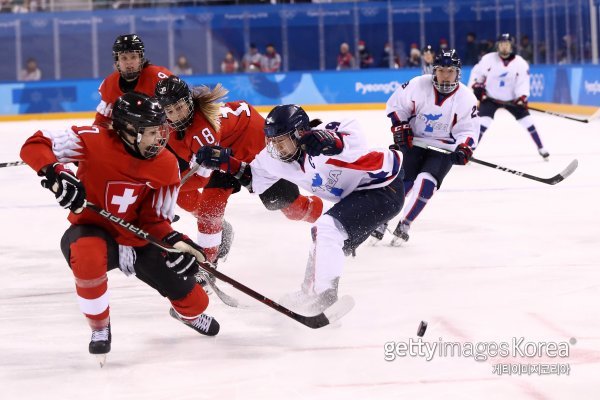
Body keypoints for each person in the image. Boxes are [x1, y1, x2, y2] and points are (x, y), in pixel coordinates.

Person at [19, 92, 220, 365]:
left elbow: (155, 219)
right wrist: (56, 172)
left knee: (197, 303)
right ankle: (100, 326)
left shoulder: (165, 164)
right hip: (94, 230)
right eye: (149, 132)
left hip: (141, 239)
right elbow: (35, 144)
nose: (159, 139)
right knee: (87, 255)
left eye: (160, 131)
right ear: (126, 130)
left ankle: (187, 314)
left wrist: (176, 241)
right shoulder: (91, 140)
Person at [194, 105, 405, 312]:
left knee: (326, 229)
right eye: (272, 141)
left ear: (299, 133)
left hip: (385, 188)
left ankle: (326, 297)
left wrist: (331, 140)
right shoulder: (274, 158)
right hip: (354, 198)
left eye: (282, 140)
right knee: (322, 243)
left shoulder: (326, 135)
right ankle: (309, 294)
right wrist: (226, 163)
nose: (277, 148)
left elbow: (351, 136)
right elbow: (255, 180)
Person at [154, 76, 324, 263]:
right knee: (209, 208)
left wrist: (162, 188)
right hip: (221, 154)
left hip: (255, 150)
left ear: (189, 101)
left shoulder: (202, 131)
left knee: (288, 207)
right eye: (170, 111)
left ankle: (329, 222)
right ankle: (207, 262)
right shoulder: (165, 127)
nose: (177, 115)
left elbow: (200, 179)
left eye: (180, 107)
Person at [371, 49, 479, 245]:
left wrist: (464, 148)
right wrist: (401, 126)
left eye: (450, 72)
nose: (445, 76)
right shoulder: (417, 84)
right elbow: (396, 105)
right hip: (414, 142)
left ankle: (405, 224)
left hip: (444, 147)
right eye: (441, 71)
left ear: (458, 73)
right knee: (404, 182)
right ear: (434, 71)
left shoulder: (466, 97)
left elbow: (469, 130)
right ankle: (383, 219)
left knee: (426, 182)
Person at [471, 33, 549, 160]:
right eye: (502, 44)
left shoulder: (520, 63)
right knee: (483, 123)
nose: (504, 47)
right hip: (491, 99)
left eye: (506, 44)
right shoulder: (488, 59)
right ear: (498, 46)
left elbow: (523, 82)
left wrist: (522, 97)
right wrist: (477, 87)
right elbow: (478, 75)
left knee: (528, 122)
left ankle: (541, 148)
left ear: (511, 46)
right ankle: (470, 151)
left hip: (512, 100)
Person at [95, 34, 172, 128]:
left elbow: (179, 108)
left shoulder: (159, 78)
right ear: (117, 61)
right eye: (124, 58)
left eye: (133, 57)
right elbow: (102, 120)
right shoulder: (109, 84)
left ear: (141, 59)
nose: (129, 62)